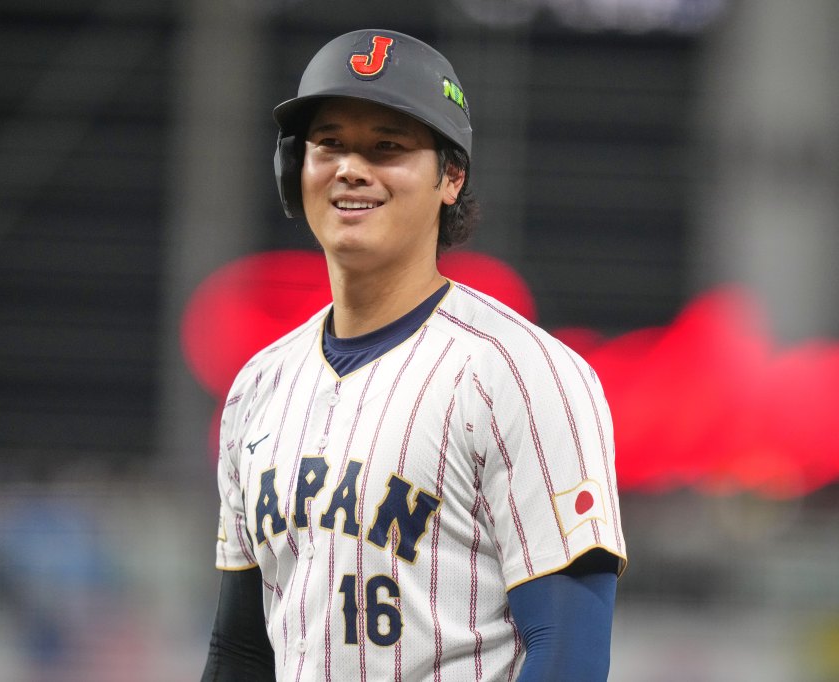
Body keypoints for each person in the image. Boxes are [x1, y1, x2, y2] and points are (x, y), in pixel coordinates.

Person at [201, 29, 627, 681]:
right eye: (330, 143)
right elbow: (240, 652)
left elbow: (566, 646)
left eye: (387, 147)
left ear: (451, 176)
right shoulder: (258, 386)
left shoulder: (520, 373)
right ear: (296, 168)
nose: (351, 167)